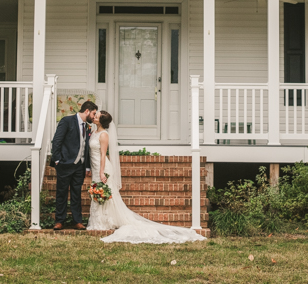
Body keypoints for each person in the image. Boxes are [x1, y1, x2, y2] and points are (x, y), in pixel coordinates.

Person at [87, 110, 206, 244]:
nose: (94, 116)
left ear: (101, 121)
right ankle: (98, 220)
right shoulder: (94, 132)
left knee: (105, 193)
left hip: (102, 168)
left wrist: (102, 172)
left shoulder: (103, 135)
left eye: (97, 116)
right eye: (95, 114)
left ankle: (106, 221)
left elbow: (103, 155)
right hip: (95, 167)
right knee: (99, 192)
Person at [50, 101, 99, 230]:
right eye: (93, 114)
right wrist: (57, 160)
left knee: (76, 194)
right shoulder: (67, 121)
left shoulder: (88, 127)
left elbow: (86, 148)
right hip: (64, 163)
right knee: (62, 193)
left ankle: (77, 221)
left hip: (79, 166)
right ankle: (60, 221)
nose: (94, 117)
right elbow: (57, 140)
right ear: (87, 111)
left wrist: (87, 166)